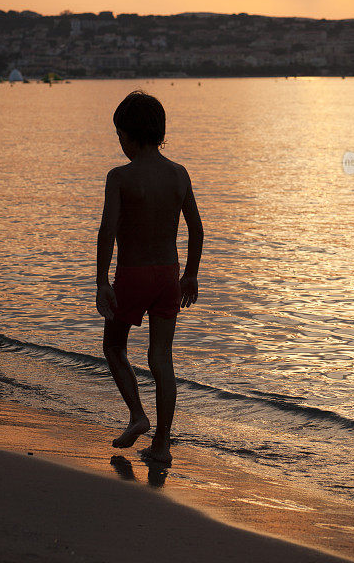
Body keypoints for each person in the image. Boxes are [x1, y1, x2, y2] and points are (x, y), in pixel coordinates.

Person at [96, 90, 204, 465]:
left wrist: (101, 282)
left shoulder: (120, 177)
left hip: (133, 274)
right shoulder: (178, 174)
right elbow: (197, 228)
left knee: (113, 348)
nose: (120, 144)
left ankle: (137, 415)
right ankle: (161, 445)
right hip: (168, 275)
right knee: (162, 359)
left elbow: (107, 231)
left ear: (129, 135)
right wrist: (190, 275)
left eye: (120, 137)